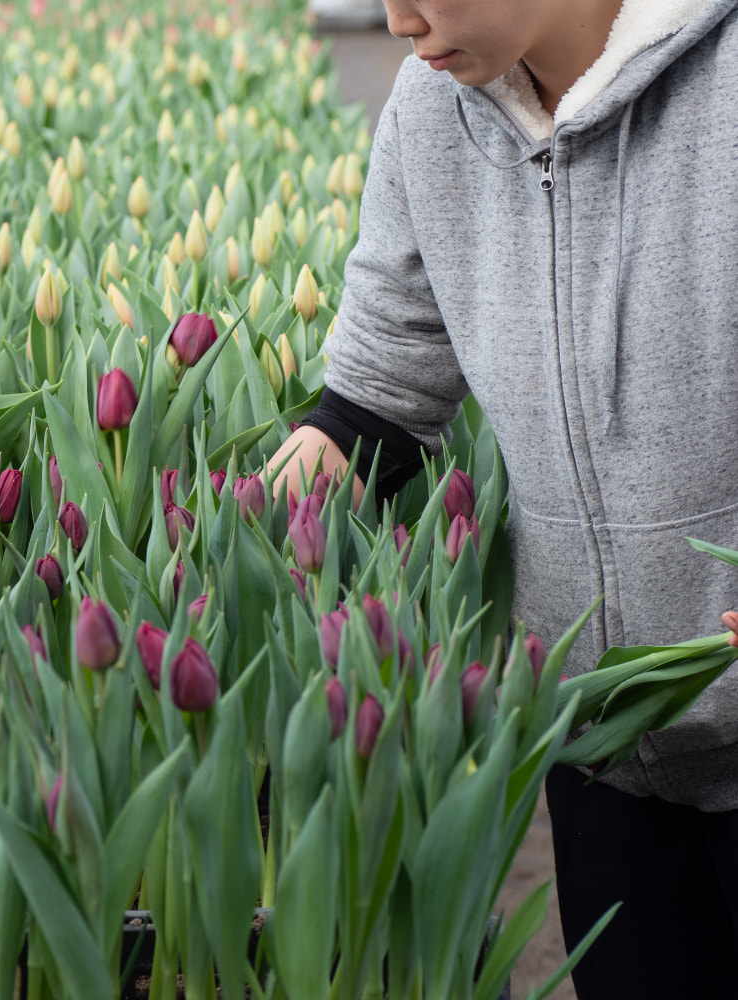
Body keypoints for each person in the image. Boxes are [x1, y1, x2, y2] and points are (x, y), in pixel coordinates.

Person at [267, 1, 738, 996]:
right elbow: (380, 398)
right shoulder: (436, 114)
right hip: (600, 751)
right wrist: (227, 543)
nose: (399, 21)